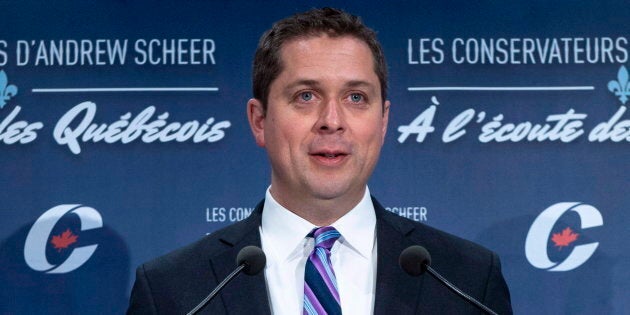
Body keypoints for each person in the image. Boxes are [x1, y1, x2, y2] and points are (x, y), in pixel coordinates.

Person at [127, 7, 512, 315]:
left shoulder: (466, 279)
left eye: (356, 97)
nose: (332, 120)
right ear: (259, 121)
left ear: (383, 122)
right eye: (306, 96)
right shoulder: (175, 290)